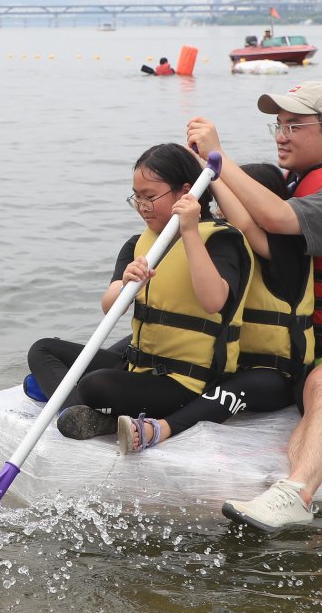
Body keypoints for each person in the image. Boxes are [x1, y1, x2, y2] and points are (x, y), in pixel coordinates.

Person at [185, 80, 322, 532]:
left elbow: (275, 218)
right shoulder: (296, 183)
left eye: (295, 125)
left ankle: (297, 494)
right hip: (304, 343)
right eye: (279, 125)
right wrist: (206, 165)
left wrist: (221, 155)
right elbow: (253, 229)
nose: (282, 135)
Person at [29, 143, 254, 442]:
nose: (142, 206)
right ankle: (78, 413)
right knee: (42, 349)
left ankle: (81, 406)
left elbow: (214, 301)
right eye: (137, 197)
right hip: (140, 366)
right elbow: (110, 307)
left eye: (150, 197)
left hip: (186, 381)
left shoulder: (221, 240)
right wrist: (126, 285)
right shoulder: (138, 243)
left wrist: (189, 232)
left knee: (96, 385)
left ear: (184, 192)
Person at [116, 162, 314, 453]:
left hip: (273, 374)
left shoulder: (286, 256)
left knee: (240, 386)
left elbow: (246, 225)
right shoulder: (223, 251)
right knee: (125, 348)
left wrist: (209, 166)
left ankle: (160, 429)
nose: (223, 214)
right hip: (224, 359)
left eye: (234, 204)